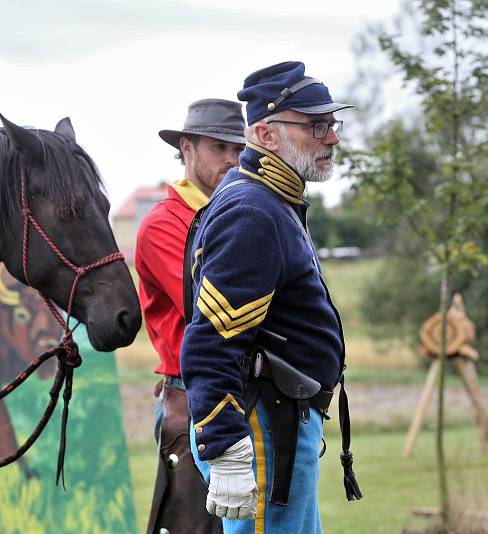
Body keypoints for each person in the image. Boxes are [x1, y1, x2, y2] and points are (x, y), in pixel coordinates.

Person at [180, 61, 362, 534]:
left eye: (331, 123)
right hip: (262, 428)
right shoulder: (253, 211)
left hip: (281, 419)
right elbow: (210, 342)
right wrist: (226, 447)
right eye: (315, 125)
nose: (332, 138)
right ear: (265, 133)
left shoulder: (271, 201)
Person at [136, 98, 246, 534]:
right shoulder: (164, 223)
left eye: (238, 149)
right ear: (186, 148)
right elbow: (214, 311)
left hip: (238, 390)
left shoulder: (235, 213)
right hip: (193, 396)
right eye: (219, 147)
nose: (233, 159)